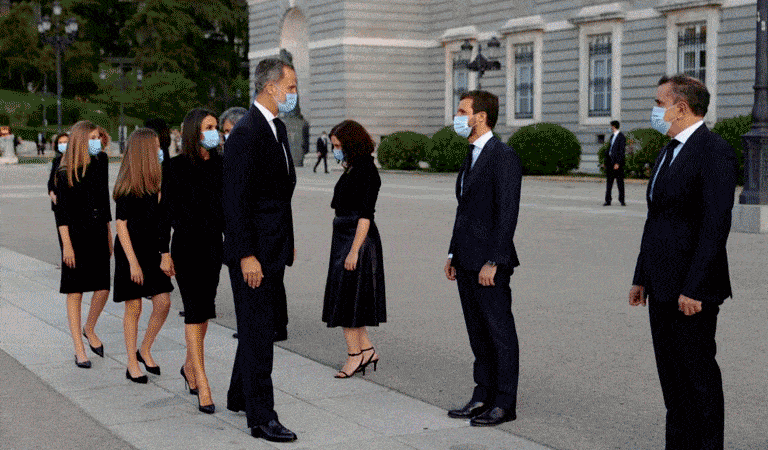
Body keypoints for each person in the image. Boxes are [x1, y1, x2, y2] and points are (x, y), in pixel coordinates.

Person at [629, 74, 737, 450]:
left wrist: (695, 288)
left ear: (682, 107)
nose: (655, 110)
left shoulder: (714, 151)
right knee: (671, 378)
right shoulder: (667, 150)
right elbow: (655, 218)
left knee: (698, 376)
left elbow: (714, 227)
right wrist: (641, 276)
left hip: (692, 290)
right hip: (660, 284)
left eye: (660, 103)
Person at [222, 58, 298, 443]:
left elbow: (279, 195)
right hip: (252, 252)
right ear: (270, 87)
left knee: (259, 326)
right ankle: (261, 416)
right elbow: (234, 201)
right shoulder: (246, 132)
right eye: (290, 87)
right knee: (258, 333)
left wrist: (289, 240)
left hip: (275, 246)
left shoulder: (277, 128)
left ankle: (239, 395)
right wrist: (245, 254)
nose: (293, 94)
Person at [444, 90, 522, 427]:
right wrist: (452, 252)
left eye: (463, 111)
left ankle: (504, 402)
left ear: (481, 117)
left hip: (490, 262)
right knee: (477, 332)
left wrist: (495, 260)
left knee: (498, 332)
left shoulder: (502, 155)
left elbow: (507, 213)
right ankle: (482, 394)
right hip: (465, 258)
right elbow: (465, 210)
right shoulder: (472, 154)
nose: (457, 117)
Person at [159, 108, 223, 414]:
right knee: (194, 311)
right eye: (209, 127)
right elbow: (164, 213)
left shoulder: (222, 165)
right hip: (185, 247)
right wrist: (164, 252)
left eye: (217, 127)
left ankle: (188, 365)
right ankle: (203, 380)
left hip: (214, 248)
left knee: (204, 311)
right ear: (194, 131)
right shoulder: (174, 167)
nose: (216, 132)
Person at [321, 120, 385, 378]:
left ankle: (354, 356)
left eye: (338, 146)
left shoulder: (366, 170)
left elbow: (365, 215)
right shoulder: (354, 168)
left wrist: (354, 250)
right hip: (344, 237)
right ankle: (367, 350)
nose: (336, 150)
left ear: (351, 144)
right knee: (351, 297)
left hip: (356, 239)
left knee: (347, 299)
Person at [112, 128, 173, 384]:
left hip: (153, 250)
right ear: (145, 150)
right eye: (157, 145)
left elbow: (163, 223)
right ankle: (131, 361)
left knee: (163, 302)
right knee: (134, 306)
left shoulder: (159, 181)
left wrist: (165, 253)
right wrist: (133, 263)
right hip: (130, 251)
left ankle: (145, 347)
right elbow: (121, 225)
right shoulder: (128, 185)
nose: (161, 149)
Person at [53, 121, 112, 369]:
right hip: (74, 234)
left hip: (98, 230)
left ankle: (89, 326)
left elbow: (104, 199)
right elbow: (62, 214)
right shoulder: (64, 171)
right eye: (91, 137)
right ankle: (79, 347)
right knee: (75, 290)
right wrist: (66, 246)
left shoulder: (101, 162)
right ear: (79, 140)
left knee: (103, 287)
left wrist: (109, 234)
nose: (97, 141)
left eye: (98, 136)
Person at [604, 120, 626, 206]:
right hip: (610, 162)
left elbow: (621, 151)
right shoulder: (612, 136)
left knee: (620, 182)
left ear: (614, 126)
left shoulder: (621, 137)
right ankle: (608, 200)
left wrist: (618, 163)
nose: (610, 128)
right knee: (609, 182)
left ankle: (622, 200)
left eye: (611, 126)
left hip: (617, 164)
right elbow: (610, 149)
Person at [47, 132, 69, 207]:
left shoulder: (75, 161)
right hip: (57, 202)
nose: (63, 144)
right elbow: (51, 180)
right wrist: (52, 194)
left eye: (65, 142)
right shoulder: (56, 160)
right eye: (60, 143)